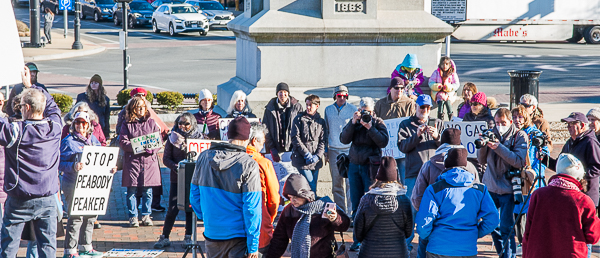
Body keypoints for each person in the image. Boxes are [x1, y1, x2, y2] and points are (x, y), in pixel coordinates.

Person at [0, 67, 61, 258]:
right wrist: (31, 86)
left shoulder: (16, 132)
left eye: (21, 106)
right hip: (47, 198)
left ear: (26, 108)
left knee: (9, 248)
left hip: (19, 199)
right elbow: (53, 106)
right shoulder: (55, 128)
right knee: (48, 248)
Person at [190, 117, 261, 258]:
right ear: (247, 139)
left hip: (212, 233)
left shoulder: (203, 157)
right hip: (237, 236)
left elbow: (194, 196)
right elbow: (252, 209)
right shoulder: (248, 164)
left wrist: (208, 218)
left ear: (228, 135)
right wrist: (253, 245)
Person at [416, 148, 499, 258]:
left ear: (446, 165)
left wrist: (432, 236)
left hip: (438, 249)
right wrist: (473, 233)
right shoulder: (480, 190)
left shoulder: (434, 189)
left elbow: (424, 224)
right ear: (466, 165)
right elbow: (493, 220)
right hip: (468, 249)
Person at [60, 112, 116, 258]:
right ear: (73, 125)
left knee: (91, 215)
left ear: (88, 125)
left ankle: (86, 246)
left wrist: (110, 168)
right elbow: (59, 163)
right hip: (73, 184)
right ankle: (70, 251)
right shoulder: (68, 141)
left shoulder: (93, 140)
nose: (80, 126)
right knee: (76, 218)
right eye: (77, 123)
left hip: (91, 186)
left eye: (83, 123)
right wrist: (73, 166)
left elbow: (101, 160)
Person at [523, 154, 600, 258]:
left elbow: (527, 232)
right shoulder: (583, 200)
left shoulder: (538, 195)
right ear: (579, 176)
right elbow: (592, 237)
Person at [477, 108, 528, 258]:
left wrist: (498, 147)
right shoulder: (491, 132)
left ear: (510, 122)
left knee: (507, 227)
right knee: (492, 224)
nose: (499, 126)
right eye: (497, 123)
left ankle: (509, 255)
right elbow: (481, 160)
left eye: (503, 123)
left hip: (508, 188)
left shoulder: (520, 136)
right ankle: (502, 253)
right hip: (491, 185)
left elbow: (518, 161)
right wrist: (483, 145)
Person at [340, 97, 389, 251]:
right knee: (356, 204)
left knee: (371, 204)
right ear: (359, 110)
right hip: (354, 166)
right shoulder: (355, 122)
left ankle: (371, 239)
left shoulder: (378, 122)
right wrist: (353, 123)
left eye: (368, 110)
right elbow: (343, 139)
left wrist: (370, 127)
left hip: (370, 168)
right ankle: (357, 240)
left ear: (372, 110)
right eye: (363, 110)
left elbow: (383, 142)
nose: (365, 112)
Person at [397, 94, 443, 254]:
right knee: (411, 210)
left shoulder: (438, 123)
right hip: (413, 174)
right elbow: (402, 147)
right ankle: (406, 245)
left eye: (428, 108)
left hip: (435, 175)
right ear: (415, 107)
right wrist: (416, 136)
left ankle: (431, 245)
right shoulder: (406, 124)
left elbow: (446, 147)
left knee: (434, 210)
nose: (425, 110)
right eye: (422, 107)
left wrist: (437, 136)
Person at [265, 174, 351, 258]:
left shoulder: (322, 205)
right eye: (290, 197)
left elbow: (344, 225)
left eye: (296, 197)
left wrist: (335, 218)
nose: (293, 201)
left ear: (305, 195)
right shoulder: (288, 211)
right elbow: (279, 239)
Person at [153, 112, 203, 249]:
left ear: (192, 124)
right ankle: (165, 236)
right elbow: (166, 158)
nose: (182, 126)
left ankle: (188, 237)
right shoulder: (173, 137)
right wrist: (177, 167)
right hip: (177, 178)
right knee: (173, 207)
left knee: (190, 207)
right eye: (180, 123)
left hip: (193, 179)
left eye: (186, 123)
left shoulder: (199, 138)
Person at [353, 157, 412, 258]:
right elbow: (409, 232)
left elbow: (358, 233)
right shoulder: (404, 200)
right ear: (396, 178)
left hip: (369, 252)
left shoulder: (366, 199)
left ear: (377, 178)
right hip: (399, 253)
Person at [410, 128, 479, 211]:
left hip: (437, 219)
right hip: (465, 219)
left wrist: (430, 214)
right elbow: (478, 197)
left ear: (442, 143)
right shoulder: (470, 167)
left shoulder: (428, 166)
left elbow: (417, 198)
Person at [119, 95, 162, 227]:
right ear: (133, 108)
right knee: (131, 191)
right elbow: (123, 142)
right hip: (133, 162)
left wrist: (152, 150)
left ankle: (146, 215)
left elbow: (158, 141)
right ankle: (133, 216)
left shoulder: (152, 123)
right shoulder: (126, 124)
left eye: (143, 107)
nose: (141, 109)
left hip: (149, 162)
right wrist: (138, 148)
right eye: (138, 107)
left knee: (147, 191)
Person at [511, 105, 549, 248]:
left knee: (530, 212)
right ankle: (522, 242)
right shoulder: (512, 134)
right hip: (516, 178)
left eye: (520, 117)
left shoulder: (535, 134)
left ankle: (530, 243)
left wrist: (534, 173)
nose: (517, 120)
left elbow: (544, 158)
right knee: (517, 213)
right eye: (514, 117)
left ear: (526, 117)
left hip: (531, 180)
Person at [548, 112, 600, 208]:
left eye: (572, 124)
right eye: (567, 124)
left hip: (586, 197)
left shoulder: (590, 142)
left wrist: (578, 176)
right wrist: (544, 159)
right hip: (572, 195)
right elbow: (560, 166)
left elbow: (597, 168)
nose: (568, 127)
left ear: (582, 125)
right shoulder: (570, 142)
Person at [245, 122, 280, 256]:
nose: (263, 146)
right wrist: (269, 217)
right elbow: (274, 198)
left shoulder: (236, 160)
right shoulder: (263, 163)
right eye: (262, 142)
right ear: (255, 141)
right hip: (260, 225)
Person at [374, 77, 416, 185]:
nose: (400, 90)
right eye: (397, 88)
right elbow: (375, 124)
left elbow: (413, 123)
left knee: (404, 178)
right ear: (391, 88)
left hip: (403, 148)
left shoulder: (409, 103)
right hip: (387, 149)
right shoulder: (380, 104)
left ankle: (405, 201)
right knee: (387, 180)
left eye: (402, 88)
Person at [324, 85, 356, 215]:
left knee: (350, 183)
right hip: (333, 150)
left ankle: (350, 212)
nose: (341, 98)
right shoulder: (328, 110)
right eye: (339, 96)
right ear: (335, 96)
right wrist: (326, 151)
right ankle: (341, 212)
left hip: (349, 150)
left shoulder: (353, 109)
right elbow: (325, 130)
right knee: (337, 184)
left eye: (344, 96)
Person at [291, 95, 326, 192]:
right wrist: (306, 154)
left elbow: (323, 141)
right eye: (306, 105)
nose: (308, 107)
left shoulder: (321, 122)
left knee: (313, 187)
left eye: (310, 105)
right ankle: (310, 206)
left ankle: (311, 206)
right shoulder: (298, 119)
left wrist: (318, 156)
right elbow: (295, 138)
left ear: (317, 106)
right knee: (311, 186)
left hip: (315, 161)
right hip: (302, 160)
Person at [263, 82, 304, 162]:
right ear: (277, 94)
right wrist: (271, 147)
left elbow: (301, 128)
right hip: (276, 148)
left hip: (292, 148)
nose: (283, 94)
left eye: (285, 92)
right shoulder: (270, 108)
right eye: (280, 92)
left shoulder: (297, 107)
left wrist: (296, 148)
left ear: (288, 93)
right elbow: (265, 128)